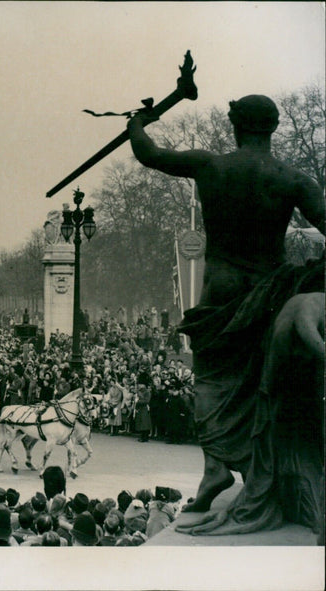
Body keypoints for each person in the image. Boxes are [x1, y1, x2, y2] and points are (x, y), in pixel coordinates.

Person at [128, 94, 325, 536]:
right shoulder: (294, 179)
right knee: (260, 384)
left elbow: (150, 153)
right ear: (273, 128)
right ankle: (255, 472)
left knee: (213, 380)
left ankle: (214, 468)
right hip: (271, 291)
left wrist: (139, 120)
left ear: (236, 126)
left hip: (222, 288)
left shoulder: (210, 166)